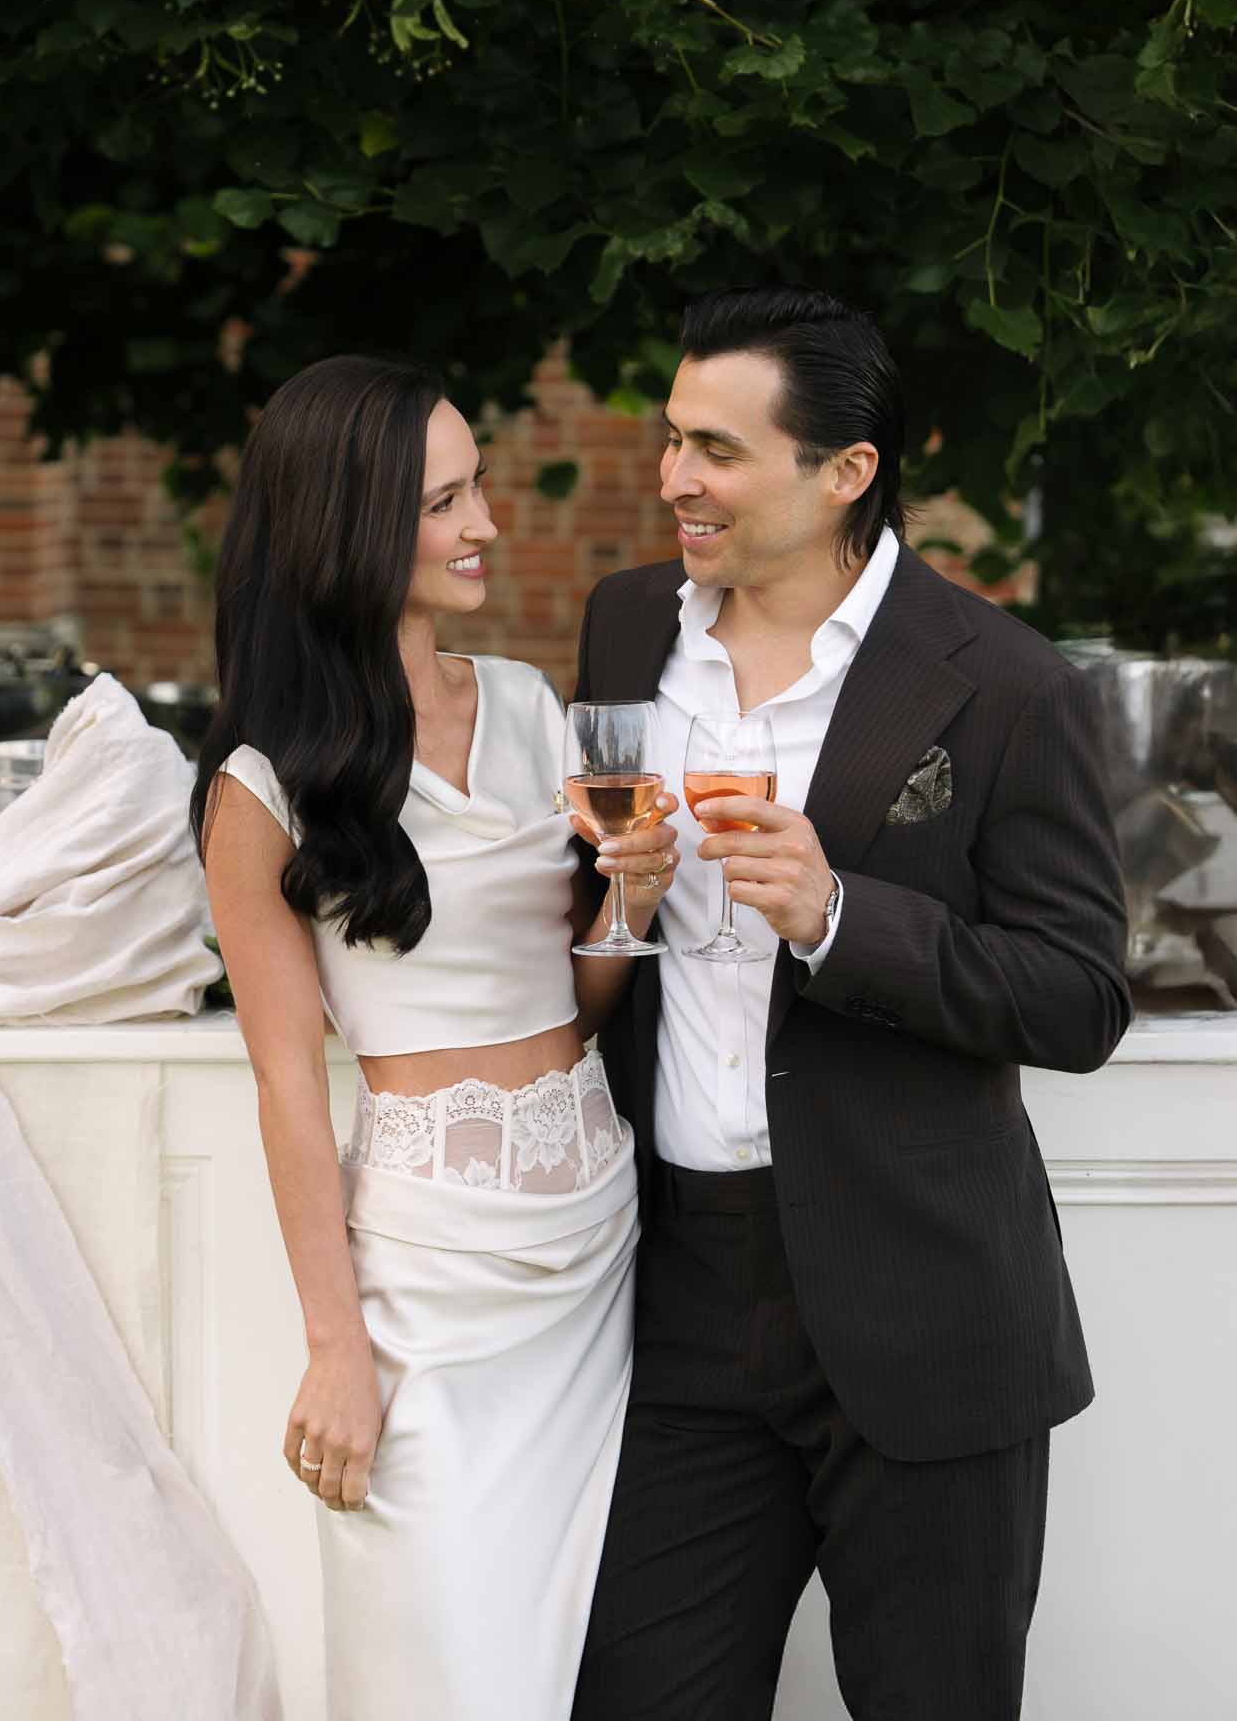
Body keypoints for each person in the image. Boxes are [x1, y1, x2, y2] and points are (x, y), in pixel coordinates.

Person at [570, 284, 1132, 1721]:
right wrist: (618, 897)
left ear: (845, 472)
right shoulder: (626, 627)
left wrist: (837, 917)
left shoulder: (1005, 684)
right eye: (673, 439)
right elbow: (597, 912)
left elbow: (1079, 997)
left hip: (922, 1299)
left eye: (717, 449)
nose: (675, 477)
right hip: (677, 1289)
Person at [192, 355, 681, 1720]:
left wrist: (632, 900)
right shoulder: (260, 788)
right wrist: (336, 1347)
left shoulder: (530, 707)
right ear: (349, 526)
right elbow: (287, 1085)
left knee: (586, 1666)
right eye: (444, 503)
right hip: (431, 1286)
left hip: (596, 1248)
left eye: (478, 490)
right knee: (444, 1673)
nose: (486, 526)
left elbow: (571, 1006)